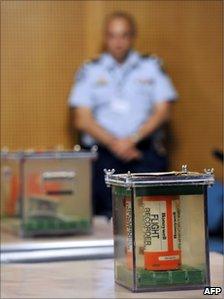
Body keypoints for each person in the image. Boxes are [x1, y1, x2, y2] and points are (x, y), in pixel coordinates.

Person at [69, 11, 178, 218]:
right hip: (103, 156)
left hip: (142, 153)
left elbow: (163, 111)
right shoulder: (90, 70)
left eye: (124, 35)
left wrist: (132, 140)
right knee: (105, 217)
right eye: (112, 35)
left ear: (132, 37)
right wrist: (116, 144)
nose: (118, 42)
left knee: (152, 215)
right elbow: (82, 119)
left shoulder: (151, 67)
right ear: (105, 37)